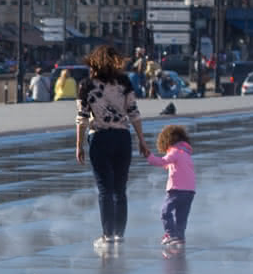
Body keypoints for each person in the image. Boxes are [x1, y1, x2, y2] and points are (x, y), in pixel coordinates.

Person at [75, 44, 149, 252]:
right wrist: (142, 140)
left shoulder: (87, 85)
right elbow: (134, 112)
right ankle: (119, 235)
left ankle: (107, 235)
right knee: (120, 190)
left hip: (99, 139)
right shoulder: (124, 82)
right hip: (122, 138)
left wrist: (79, 145)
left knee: (105, 190)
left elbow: (81, 119)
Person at [146, 124, 196, 254]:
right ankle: (180, 237)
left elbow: (161, 161)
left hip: (176, 189)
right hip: (190, 191)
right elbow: (173, 165)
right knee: (181, 216)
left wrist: (148, 156)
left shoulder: (175, 151)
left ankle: (171, 235)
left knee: (165, 212)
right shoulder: (185, 152)